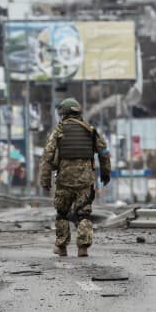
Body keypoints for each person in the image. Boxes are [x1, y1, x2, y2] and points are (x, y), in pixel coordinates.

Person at [39, 98, 111, 257]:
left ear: (63, 114)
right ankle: (83, 247)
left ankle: (61, 246)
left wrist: (45, 180)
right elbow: (104, 153)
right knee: (83, 214)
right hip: (85, 180)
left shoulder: (59, 130)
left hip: (64, 180)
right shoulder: (90, 130)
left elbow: (47, 156)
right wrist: (106, 174)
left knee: (62, 213)